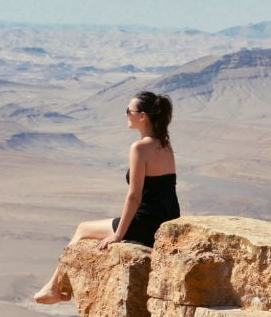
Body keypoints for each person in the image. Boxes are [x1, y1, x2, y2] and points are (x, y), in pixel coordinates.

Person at [34, 91, 180, 304]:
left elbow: (134, 196)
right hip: (165, 219)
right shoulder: (165, 145)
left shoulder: (139, 148)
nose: (126, 115)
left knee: (83, 228)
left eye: (128, 111)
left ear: (143, 116)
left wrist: (118, 235)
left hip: (146, 223)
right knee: (87, 228)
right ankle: (54, 286)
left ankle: (54, 287)